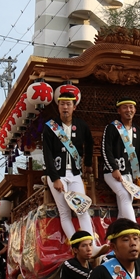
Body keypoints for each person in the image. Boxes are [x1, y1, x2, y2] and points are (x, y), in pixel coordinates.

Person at [43, 90, 95, 238]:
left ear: (74, 107)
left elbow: (90, 143)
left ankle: (91, 244)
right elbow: (47, 154)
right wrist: (55, 178)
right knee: (65, 212)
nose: (65, 107)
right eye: (62, 104)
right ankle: (76, 244)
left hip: (75, 173)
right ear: (58, 106)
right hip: (57, 174)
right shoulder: (50, 127)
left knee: (82, 209)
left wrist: (88, 163)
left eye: (68, 104)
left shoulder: (81, 125)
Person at [101, 98, 140, 222]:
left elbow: (139, 153)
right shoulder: (111, 127)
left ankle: (120, 227)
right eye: (125, 107)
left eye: (131, 107)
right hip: (112, 172)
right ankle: (135, 228)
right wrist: (114, 169)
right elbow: (106, 150)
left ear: (135, 110)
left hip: (129, 172)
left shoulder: (137, 130)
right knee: (125, 195)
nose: (128, 110)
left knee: (125, 201)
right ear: (119, 111)